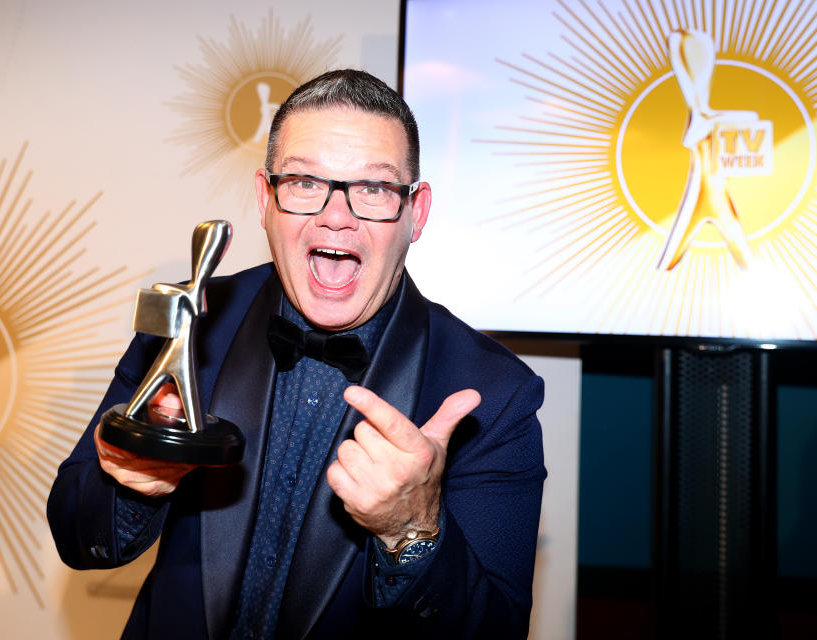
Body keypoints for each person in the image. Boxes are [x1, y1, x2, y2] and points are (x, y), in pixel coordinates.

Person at [48, 69, 546, 639]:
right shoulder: (191, 321)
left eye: (375, 189)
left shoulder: (495, 394)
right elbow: (76, 535)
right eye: (306, 182)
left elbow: (497, 630)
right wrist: (130, 485)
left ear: (417, 212)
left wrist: (413, 532)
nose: (337, 215)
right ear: (265, 199)